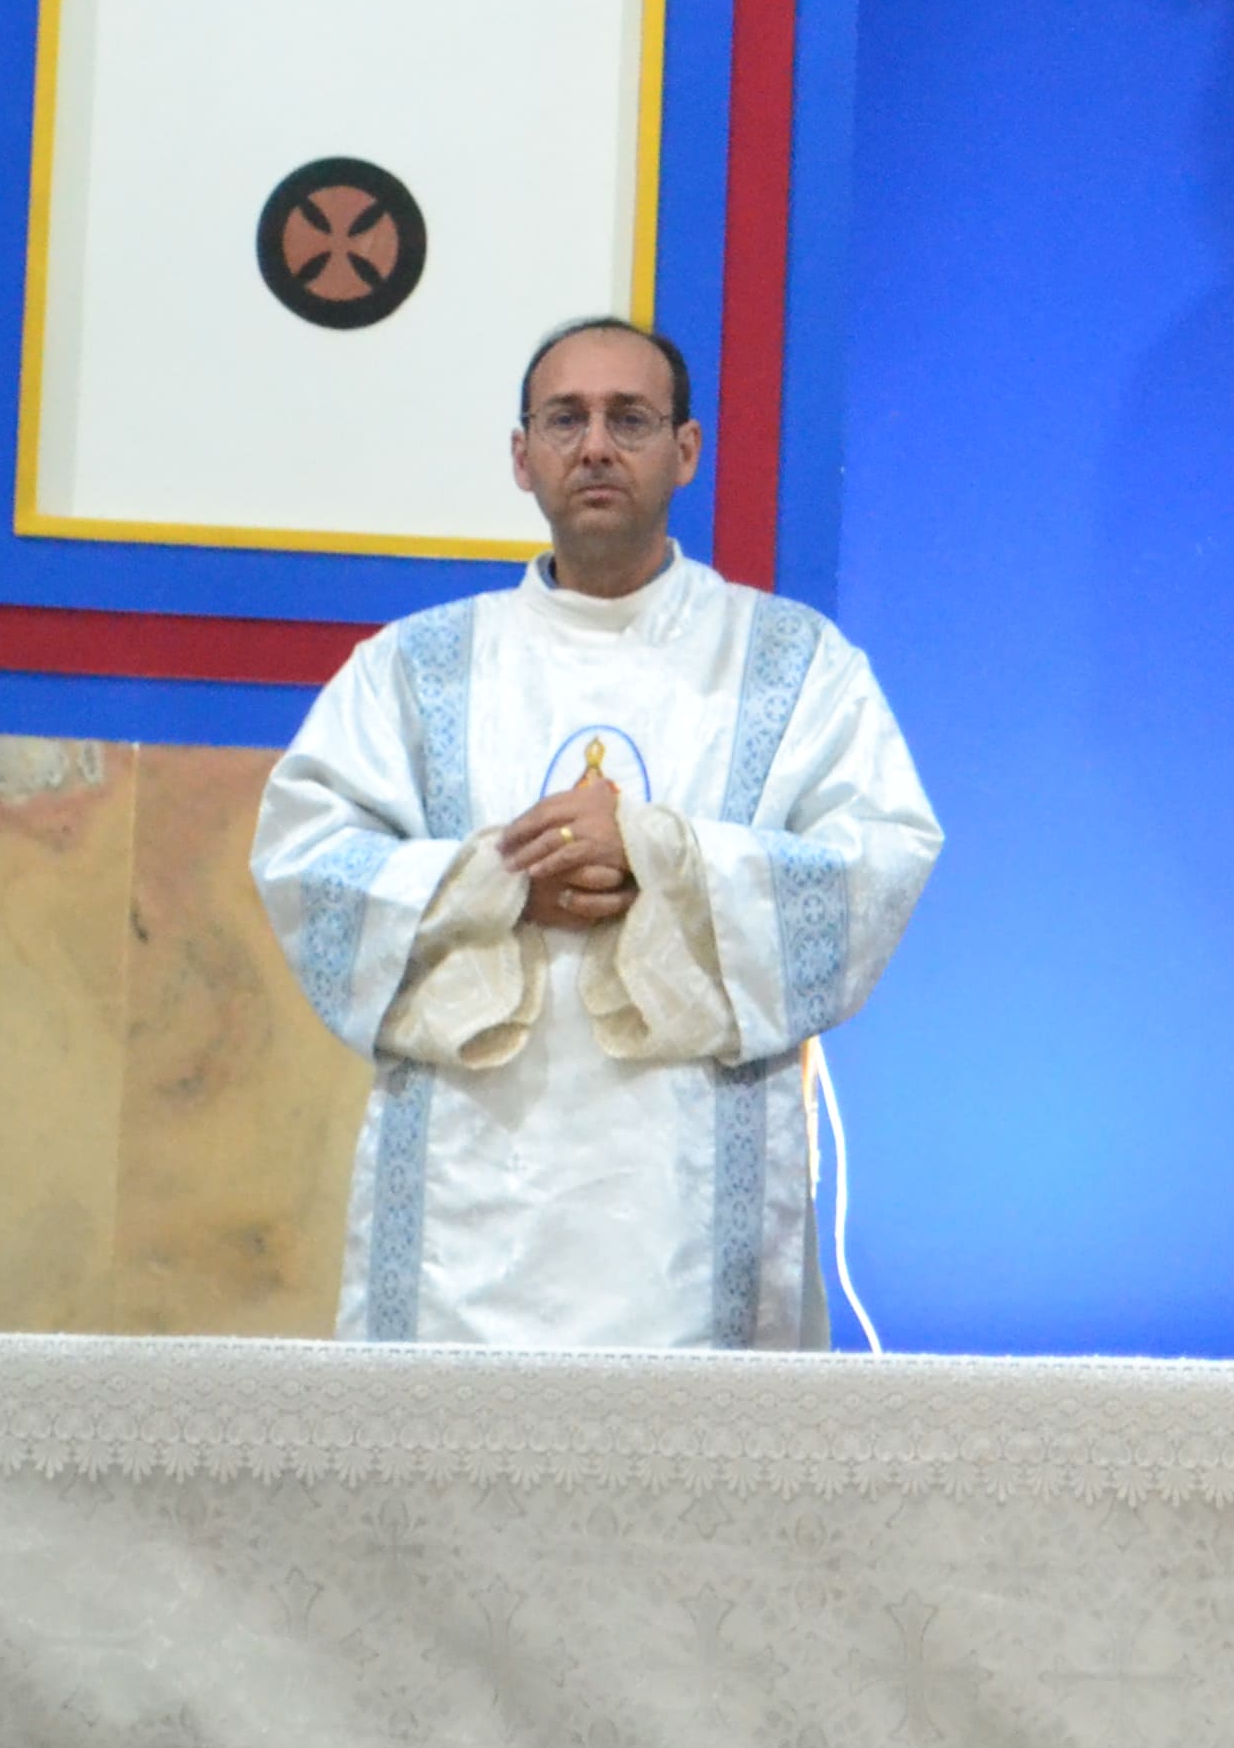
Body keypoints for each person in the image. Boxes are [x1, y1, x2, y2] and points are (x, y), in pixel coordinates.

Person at [251, 318, 942, 1347]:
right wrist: (498, 882)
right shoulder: (415, 667)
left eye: (631, 419)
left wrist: (658, 856)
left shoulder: (792, 666)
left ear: (687, 451)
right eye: (565, 420)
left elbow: (874, 865)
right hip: (463, 1225)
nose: (596, 447)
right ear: (521, 455)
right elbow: (308, 864)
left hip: (689, 1222)